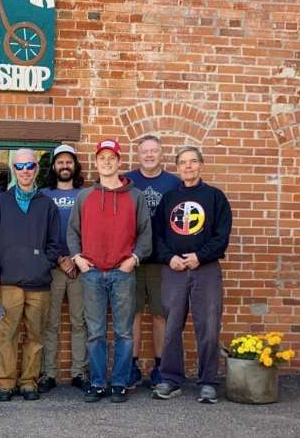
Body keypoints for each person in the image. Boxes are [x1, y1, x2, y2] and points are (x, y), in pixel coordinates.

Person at [67, 139, 152, 403]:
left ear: (119, 161)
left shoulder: (135, 197)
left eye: (111, 158)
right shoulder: (85, 196)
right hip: (91, 273)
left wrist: (134, 259)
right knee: (95, 332)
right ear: (96, 162)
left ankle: (119, 383)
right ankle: (97, 383)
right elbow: (72, 231)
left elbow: (146, 234)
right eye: (102, 158)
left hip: (122, 272)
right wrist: (77, 258)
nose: (106, 162)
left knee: (124, 332)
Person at [151, 146, 232, 404]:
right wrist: (169, 257)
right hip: (174, 270)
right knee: (172, 326)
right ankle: (170, 379)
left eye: (193, 161)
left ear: (201, 165)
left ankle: (208, 382)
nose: (188, 166)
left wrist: (200, 256)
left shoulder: (215, 197)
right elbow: (157, 235)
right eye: (183, 162)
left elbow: (222, 236)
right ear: (178, 167)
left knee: (208, 326)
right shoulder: (169, 199)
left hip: (205, 269)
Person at [0, 148, 60, 402]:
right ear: (14, 170)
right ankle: (5, 384)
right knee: (8, 335)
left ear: (36, 169)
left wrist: (43, 263)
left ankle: (28, 383)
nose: (25, 171)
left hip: (39, 284)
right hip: (9, 282)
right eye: (19, 166)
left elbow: (56, 243)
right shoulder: (0, 202)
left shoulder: (47, 204)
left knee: (35, 336)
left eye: (30, 166)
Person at [124, 135, 180, 388]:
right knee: (132, 314)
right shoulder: (127, 181)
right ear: (138, 155)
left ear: (161, 154)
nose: (149, 155)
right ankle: (131, 367)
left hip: (162, 260)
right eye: (144, 151)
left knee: (160, 315)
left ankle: (161, 367)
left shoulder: (173, 183)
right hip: (131, 259)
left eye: (153, 151)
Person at [38, 144, 88, 393]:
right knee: (51, 323)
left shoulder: (85, 194)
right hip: (53, 268)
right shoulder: (43, 195)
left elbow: (91, 230)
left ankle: (80, 373)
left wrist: (78, 258)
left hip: (81, 266)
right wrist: (60, 258)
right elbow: (40, 232)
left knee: (80, 322)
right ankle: (48, 374)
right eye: (60, 162)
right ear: (54, 166)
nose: (65, 166)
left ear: (75, 166)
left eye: (69, 162)